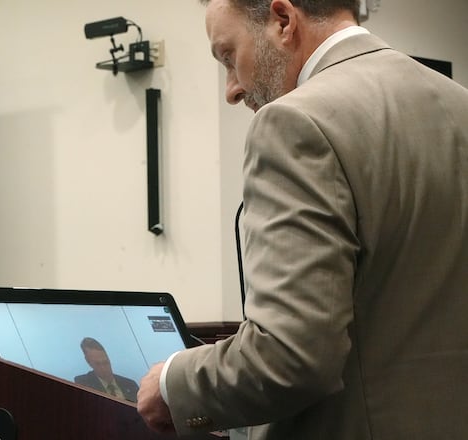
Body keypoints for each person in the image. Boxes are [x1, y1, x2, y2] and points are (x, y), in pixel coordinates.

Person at [137, 1, 468, 439]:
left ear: (283, 20)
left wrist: (172, 384)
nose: (231, 89)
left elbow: (288, 357)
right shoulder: (458, 102)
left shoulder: (294, 121)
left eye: (228, 57)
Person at [74, 337, 139, 402]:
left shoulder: (130, 384)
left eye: (105, 363)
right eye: (98, 364)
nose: (104, 368)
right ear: (88, 362)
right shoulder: (83, 383)